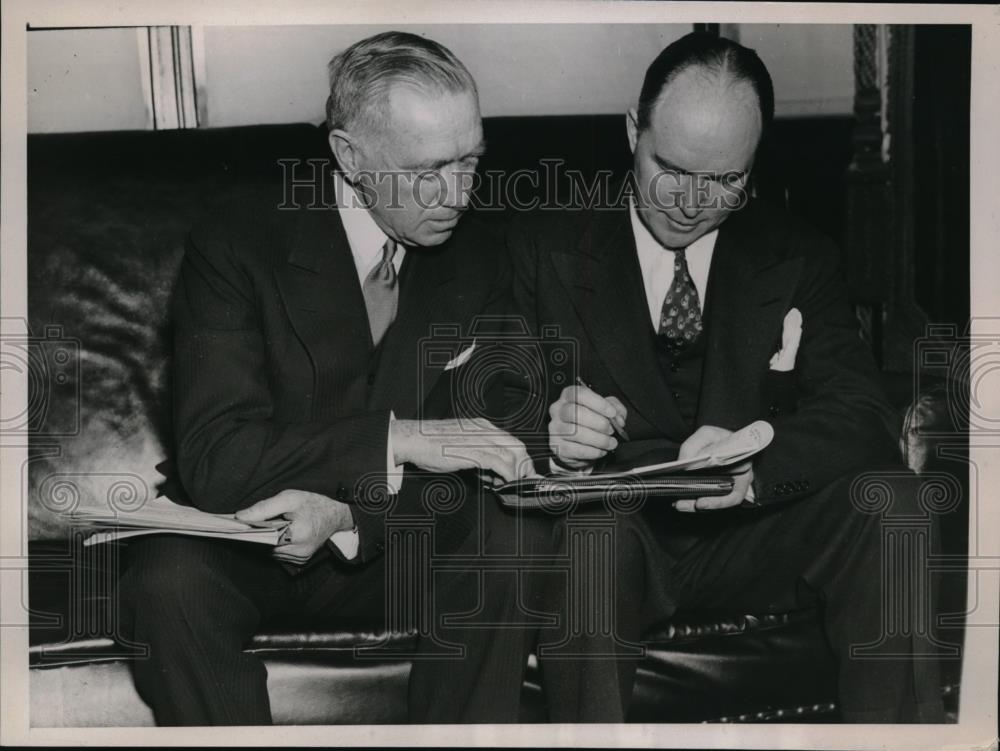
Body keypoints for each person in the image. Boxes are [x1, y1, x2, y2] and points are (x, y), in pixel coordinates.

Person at [506, 31, 946, 722]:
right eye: (672, 169)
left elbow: (862, 410)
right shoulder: (542, 247)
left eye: (725, 181)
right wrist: (548, 430)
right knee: (593, 540)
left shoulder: (798, 255)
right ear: (632, 132)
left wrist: (757, 460)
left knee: (896, 504)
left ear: (753, 163)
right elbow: (481, 403)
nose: (690, 201)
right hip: (619, 540)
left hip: (758, 526)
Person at [116, 31, 545, 726]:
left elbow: (494, 442)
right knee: (168, 581)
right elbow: (221, 458)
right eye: (429, 170)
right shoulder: (238, 243)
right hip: (251, 537)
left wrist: (350, 514)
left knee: (513, 535)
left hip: (391, 540)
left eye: (472, 161)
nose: (459, 194)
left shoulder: (481, 255)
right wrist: (399, 438)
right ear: (350, 157)